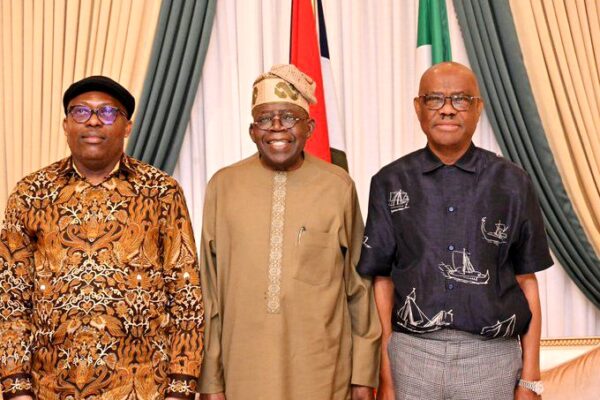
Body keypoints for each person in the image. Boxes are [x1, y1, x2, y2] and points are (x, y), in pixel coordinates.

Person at [0, 76, 204, 400]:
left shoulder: (161, 192)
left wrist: (181, 388)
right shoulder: (31, 193)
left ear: (127, 127)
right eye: (81, 111)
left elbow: (186, 294)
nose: (93, 120)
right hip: (49, 390)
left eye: (108, 112)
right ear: (66, 125)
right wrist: (17, 388)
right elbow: (11, 299)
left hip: (143, 389)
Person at [357, 62, 552, 400]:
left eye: (460, 99)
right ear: (418, 107)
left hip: (490, 360)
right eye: (435, 99)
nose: (447, 109)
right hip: (411, 357)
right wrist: (386, 373)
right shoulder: (390, 182)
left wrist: (530, 378)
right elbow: (382, 280)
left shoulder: (513, 182)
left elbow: (526, 281)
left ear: (478, 108)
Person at [198, 64, 381, 400]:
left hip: (322, 371)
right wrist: (211, 380)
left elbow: (359, 287)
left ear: (309, 127)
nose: (277, 127)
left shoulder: (337, 186)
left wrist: (363, 375)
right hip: (242, 370)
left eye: (289, 117)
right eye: (265, 119)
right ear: (252, 130)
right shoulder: (223, 186)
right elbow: (208, 291)